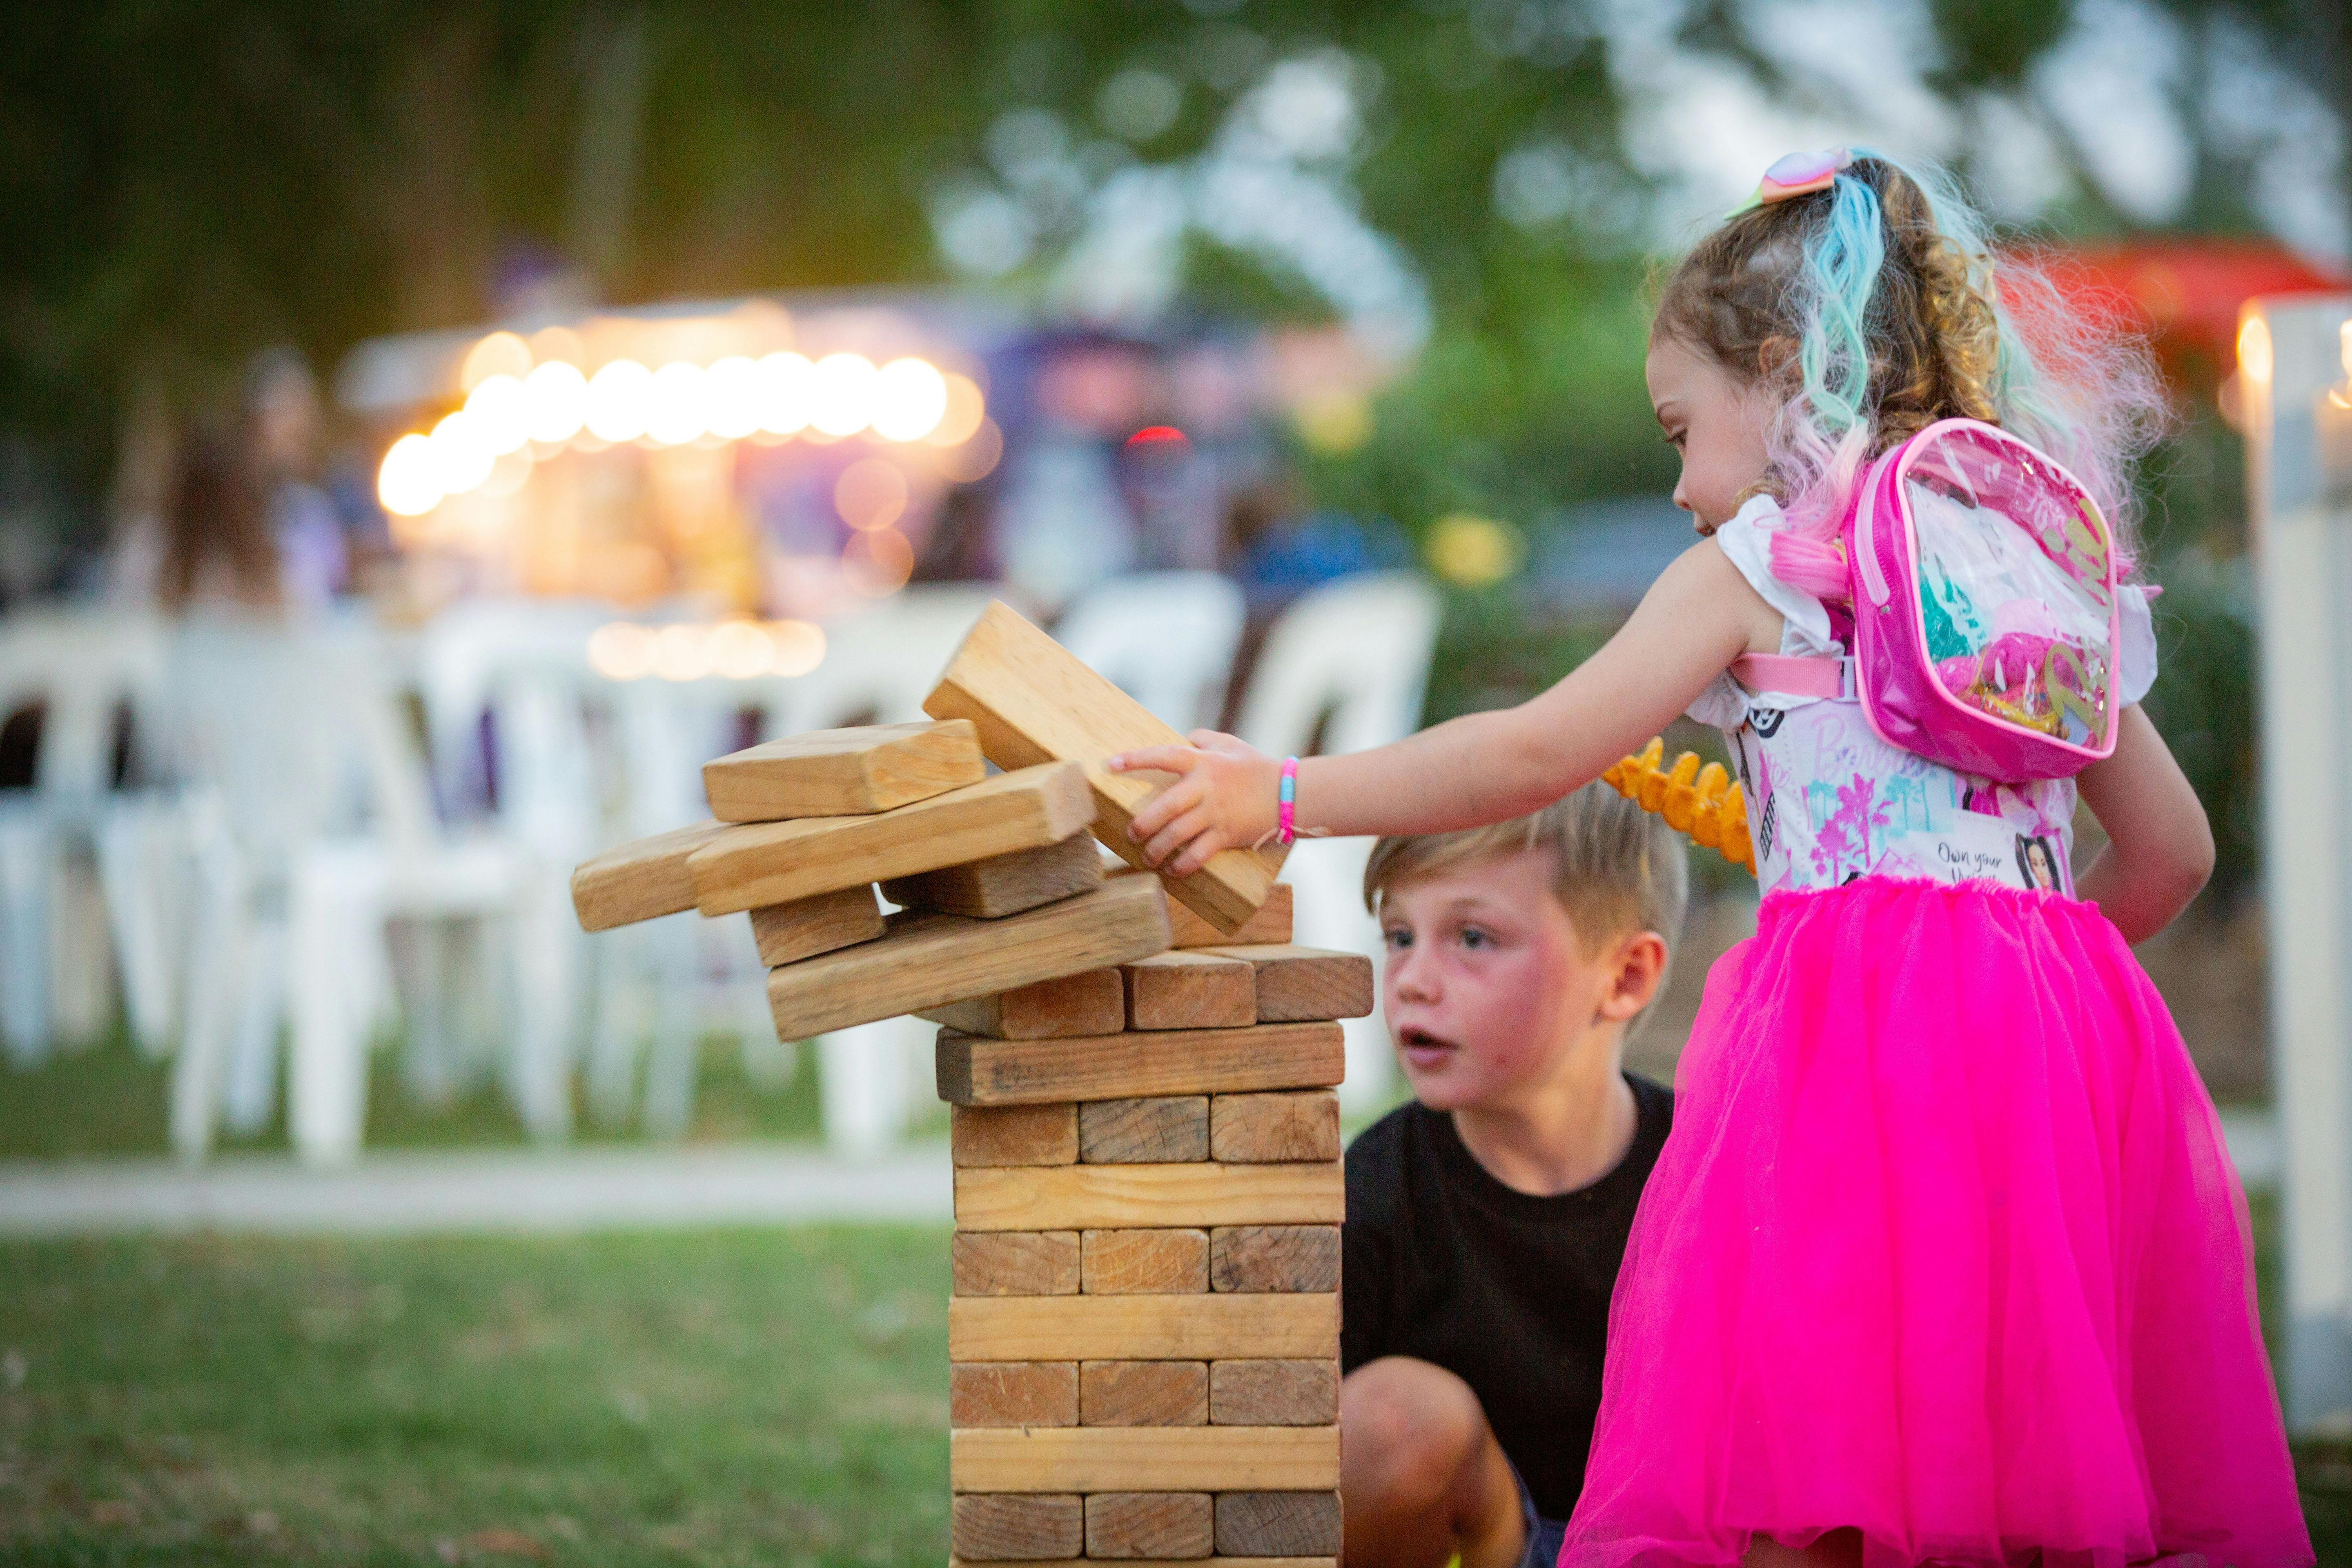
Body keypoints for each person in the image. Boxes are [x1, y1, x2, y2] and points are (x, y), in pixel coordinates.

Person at [1110, 149, 2310, 1566]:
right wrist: (2016, 999)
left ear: (1788, 377)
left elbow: (1531, 754)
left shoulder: (1757, 565)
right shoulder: (2026, 568)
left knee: (1826, 1461)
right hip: (2050, 1063)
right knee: (2018, 1468)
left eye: (1681, 430)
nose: (1682, 484)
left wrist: (1288, 793)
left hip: (1849, 1065)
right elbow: (2169, 853)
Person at [1342, 786, 1685, 1568]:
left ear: (1625, 976)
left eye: (1471, 937)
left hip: (1686, 1541)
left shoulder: (1712, 1169)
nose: (1411, 981)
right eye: (1399, 935)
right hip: (1501, 1541)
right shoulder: (1372, 1191)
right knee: (1394, 1417)